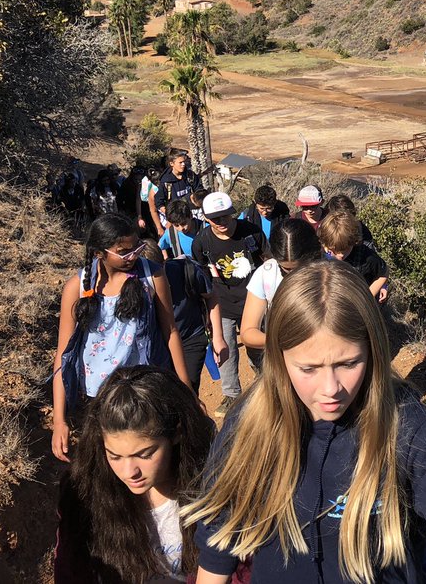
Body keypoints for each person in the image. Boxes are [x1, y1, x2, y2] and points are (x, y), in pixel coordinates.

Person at [184, 263, 426, 584]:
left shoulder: (402, 421)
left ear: (373, 350)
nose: (331, 390)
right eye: (308, 369)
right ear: (278, 359)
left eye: (348, 363)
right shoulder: (249, 423)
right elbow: (221, 530)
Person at [53, 365, 216, 584]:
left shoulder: (212, 487)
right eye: (115, 456)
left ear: (176, 433)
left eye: (145, 454)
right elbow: (70, 570)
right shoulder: (84, 495)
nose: (130, 472)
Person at [51, 214, 192, 462]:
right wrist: (59, 419)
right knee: (107, 461)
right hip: (97, 397)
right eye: (123, 252)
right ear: (99, 253)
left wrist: (187, 393)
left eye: (136, 248)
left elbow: (170, 331)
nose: (133, 256)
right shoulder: (77, 287)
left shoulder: (152, 276)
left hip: (143, 390)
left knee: (146, 455)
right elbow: (64, 354)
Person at [190, 192, 267, 418]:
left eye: (225, 217)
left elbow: (268, 259)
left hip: (254, 300)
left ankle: (265, 383)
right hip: (221, 301)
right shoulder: (202, 241)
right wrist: (204, 308)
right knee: (226, 349)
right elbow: (201, 273)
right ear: (206, 218)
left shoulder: (250, 232)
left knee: (256, 347)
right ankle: (232, 394)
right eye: (216, 218)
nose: (221, 222)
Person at [145, 237, 228, 394]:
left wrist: (218, 337)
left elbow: (211, 297)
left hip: (190, 339)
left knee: (187, 391)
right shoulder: (135, 285)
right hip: (157, 347)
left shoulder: (184, 270)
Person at [238, 218, 322, 351]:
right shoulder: (266, 274)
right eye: (287, 269)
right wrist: (285, 342)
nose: (293, 275)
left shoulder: (333, 271)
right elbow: (248, 332)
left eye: (301, 268)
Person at [318, 211, 389, 303]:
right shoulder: (318, 256)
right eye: (334, 251)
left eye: (345, 250)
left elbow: (383, 272)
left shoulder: (366, 256)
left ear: (354, 242)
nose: (340, 256)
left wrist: (366, 299)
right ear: (325, 244)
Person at [154, 151, 201, 236]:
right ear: (172, 163)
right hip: (177, 223)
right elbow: (158, 203)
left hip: (194, 218)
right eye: (180, 162)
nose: (183, 164)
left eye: (184, 162)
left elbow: (199, 191)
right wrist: (171, 217)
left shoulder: (190, 176)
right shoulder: (165, 182)